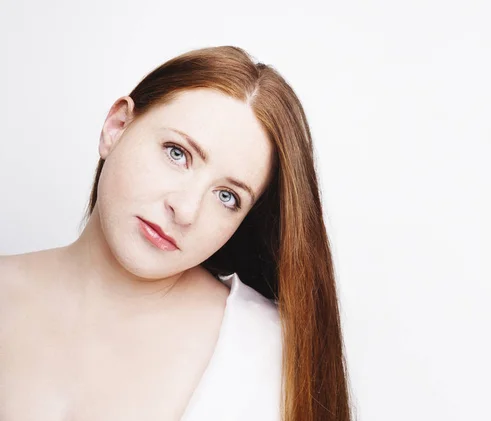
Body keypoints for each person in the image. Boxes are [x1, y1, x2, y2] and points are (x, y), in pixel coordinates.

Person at [0, 45, 353, 421]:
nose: (185, 210)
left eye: (227, 196)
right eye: (177, 153)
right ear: (116, 127)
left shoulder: (270, 353)